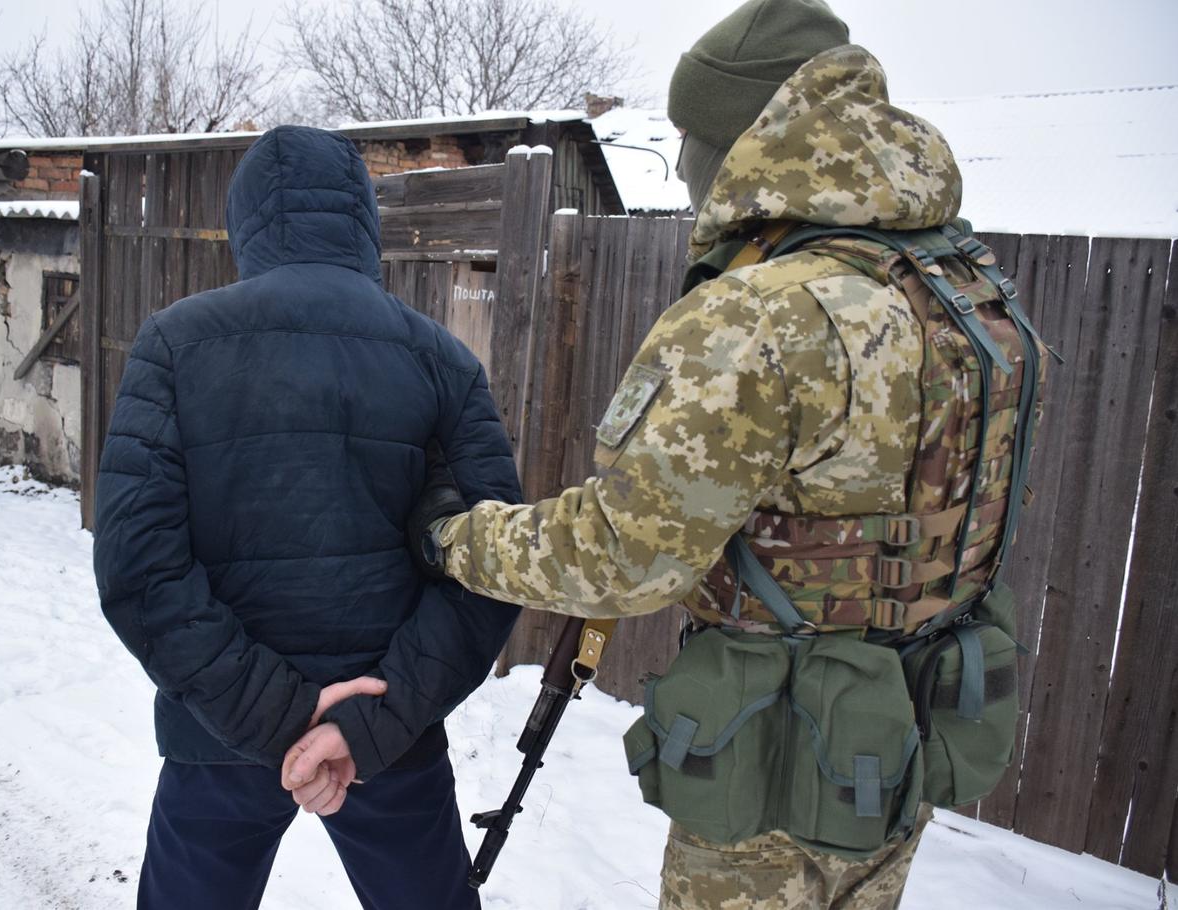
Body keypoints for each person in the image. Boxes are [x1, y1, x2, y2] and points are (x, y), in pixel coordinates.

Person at [291, 2, 1047, 908]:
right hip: (900, 741)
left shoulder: (764, 314)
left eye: (690, 134)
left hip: (775, 769)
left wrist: (452, 538)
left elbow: (621, 555)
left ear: (737, 140)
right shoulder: (966, 292)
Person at [92, 124, 521, 910]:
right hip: (391, 736)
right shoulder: (441, 358)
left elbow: (136, 565)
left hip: (220, 737)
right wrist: (364, 726)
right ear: (363, 219)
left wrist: (276, 716)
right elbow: (493, 566)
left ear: (245, 221)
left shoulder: (175, 344)